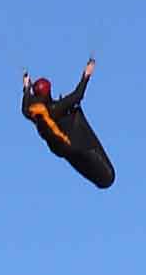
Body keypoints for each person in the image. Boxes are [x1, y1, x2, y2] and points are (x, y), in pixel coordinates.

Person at [21, 58, 115, 190]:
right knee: (109, 177)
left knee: (67, 119)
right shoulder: (56, 108)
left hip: (60, 149)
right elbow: (77, 96)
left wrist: (26, 87)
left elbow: (24, 108)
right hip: (73, 144)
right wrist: (87, 74)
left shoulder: (33, 111)